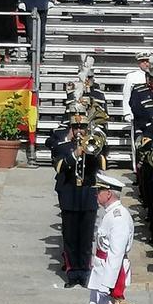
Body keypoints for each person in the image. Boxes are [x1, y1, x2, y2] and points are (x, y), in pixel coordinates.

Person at [74, 173, 153, 304]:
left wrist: (108, 284)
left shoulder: (119, 217)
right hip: (102, 270)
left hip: (110, 273)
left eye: (99, 191)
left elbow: (116, 253)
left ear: (109, 193)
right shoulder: (111, 213)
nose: (96, 194)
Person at [53, 113, 103, 288]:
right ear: (71, 129)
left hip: (88, 196)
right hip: (70, 195)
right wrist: (75, 153)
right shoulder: (63, 147)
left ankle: (85, 272)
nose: (79, 130)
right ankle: (72, 273)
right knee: (70, 237)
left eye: (82, 127)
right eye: (76, 128)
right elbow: (60, 167)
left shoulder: (95, 145)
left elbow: (102, 164)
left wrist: (91, 151)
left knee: (86, 237)